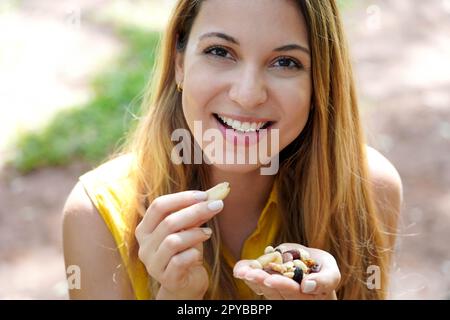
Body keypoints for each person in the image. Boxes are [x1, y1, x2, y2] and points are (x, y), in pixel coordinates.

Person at [62, 0, 403, 300]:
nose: (247, 94)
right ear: (179, 61)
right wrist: (177, 296)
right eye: (220, 52)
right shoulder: (97, 215)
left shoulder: (370, 188)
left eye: (285, 62)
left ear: (320, 82)